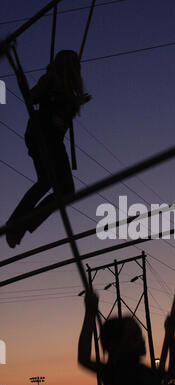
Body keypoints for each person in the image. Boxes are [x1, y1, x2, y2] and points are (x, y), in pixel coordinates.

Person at [5, 49, 91, 248]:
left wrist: (74, 102)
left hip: (48, 137)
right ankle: (17, 225)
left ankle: (17, 225)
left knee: (48, 183)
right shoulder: (52, 79)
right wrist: (59, 99)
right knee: (63, 188)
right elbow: (32, 97)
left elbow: (60, 108)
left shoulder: (66, 86)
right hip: (44, 136)